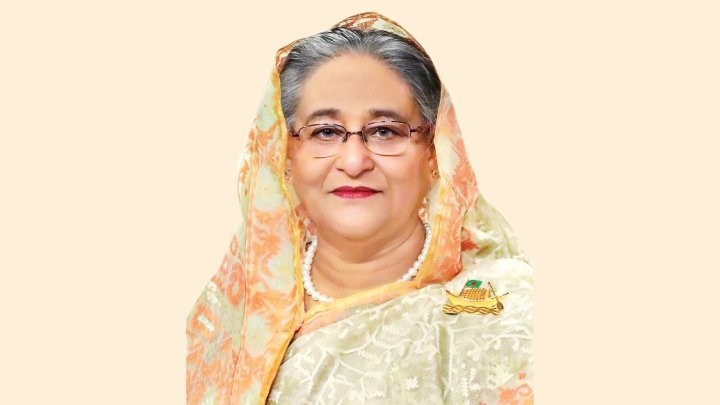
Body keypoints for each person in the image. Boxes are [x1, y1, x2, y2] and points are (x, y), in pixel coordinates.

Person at [187, 11, 534, 404]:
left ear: (434, 151)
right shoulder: (230, 311)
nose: (354, 162)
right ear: (284, 154)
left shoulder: (504, 313)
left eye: (385, 131)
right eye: (325, 132)